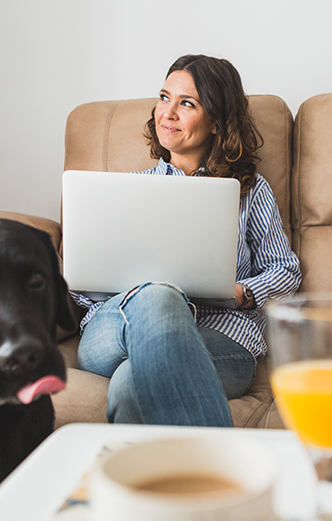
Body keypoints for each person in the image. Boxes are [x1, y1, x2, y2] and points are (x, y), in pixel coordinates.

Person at [71, 55, 301, 427]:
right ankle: (223, 468)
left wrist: (242, 291)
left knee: (132, 381)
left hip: (220, 334)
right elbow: (80, 288)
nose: (168, 113)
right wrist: (120, 288)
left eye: (187, 103)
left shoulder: (248, 190)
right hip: (116, 330)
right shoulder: (122, 190)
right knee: (158, 294)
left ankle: (151, 483)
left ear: (217, 122)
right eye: (164, 97)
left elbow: (285, 271)